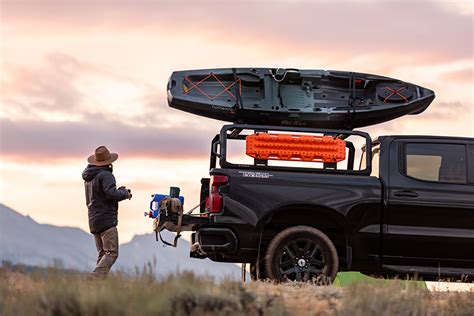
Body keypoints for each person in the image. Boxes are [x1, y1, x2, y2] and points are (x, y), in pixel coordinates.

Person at [82, 145, 132, 279]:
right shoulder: (106, 175)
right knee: (111, 253)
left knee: (103, 253)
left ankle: (97, 286)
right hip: (106, 221)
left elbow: (103, 194)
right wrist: (125, 193)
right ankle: (94, 278)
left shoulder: (89, 178)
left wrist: (118, 191)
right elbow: (111, 194)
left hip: (93, 220)